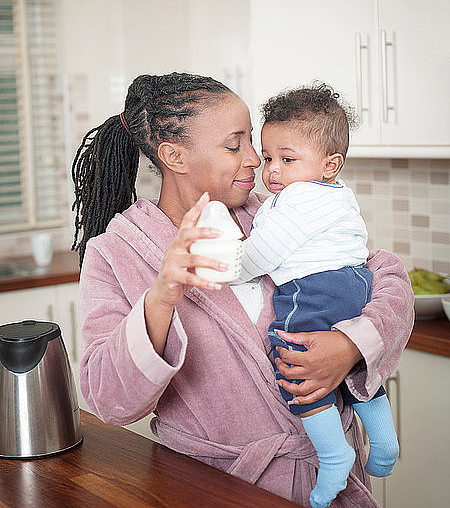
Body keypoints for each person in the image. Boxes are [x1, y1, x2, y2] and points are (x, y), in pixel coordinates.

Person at [71, 72, 414, 508]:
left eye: (253, 140)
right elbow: (108, 401)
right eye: (235, 145)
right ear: (175, 156)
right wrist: (160, 298)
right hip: (220, 487)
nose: (255, 158)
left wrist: (351, 345)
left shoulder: (277, 209)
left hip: (333, 479)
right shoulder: (119, 252)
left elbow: (384, 275)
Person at [233, 84, 400, 508]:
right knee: (353, 367)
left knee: (293, 361)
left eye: (287, 159)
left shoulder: (298, 200)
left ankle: (333, 454)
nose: (272, 170)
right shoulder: (334, 194)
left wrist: (231, 265)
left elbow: (262, 255)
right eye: (268, 157)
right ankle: (383, 440)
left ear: (330, 164)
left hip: (312, 289)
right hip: (353, 283)